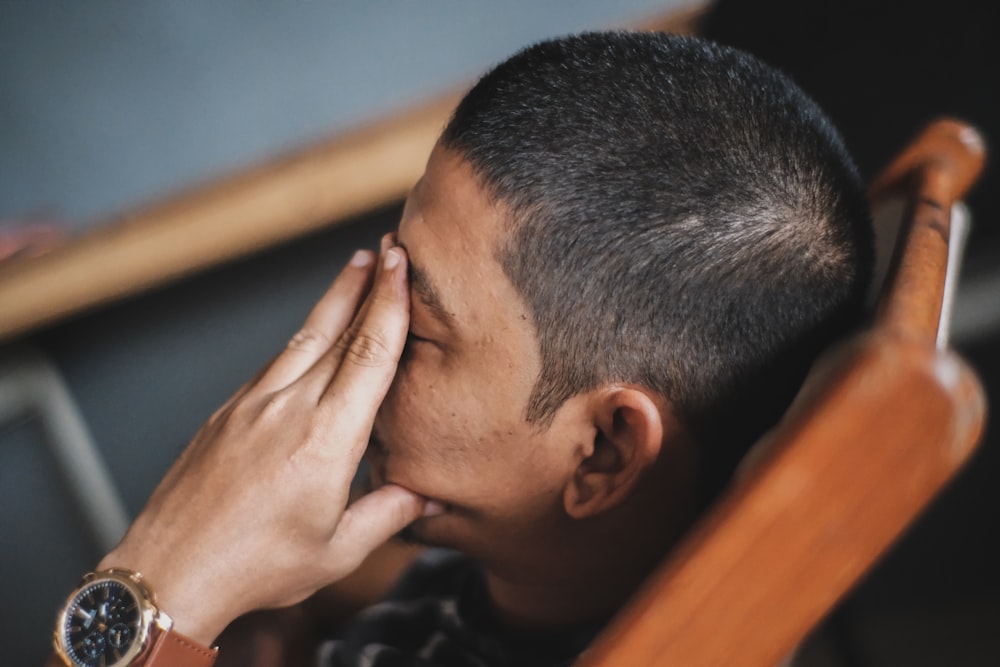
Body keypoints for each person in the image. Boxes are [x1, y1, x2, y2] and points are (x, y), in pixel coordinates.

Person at [47, 31, 872, 667]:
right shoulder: (531, 582)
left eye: (421, 327)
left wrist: (169, 577)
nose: (361, 348)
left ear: (603, 452)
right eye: (388, 280)